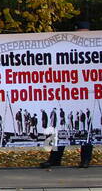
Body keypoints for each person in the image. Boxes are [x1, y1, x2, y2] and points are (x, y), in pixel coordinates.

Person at [40, 21, 94, 168]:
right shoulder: (64, 49)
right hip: (65, 94)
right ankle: (54, 158)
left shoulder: (95, 50)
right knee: (57, 128)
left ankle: (86, 159)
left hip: (84, 96)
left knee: (85, 128)